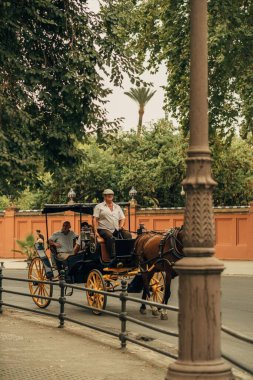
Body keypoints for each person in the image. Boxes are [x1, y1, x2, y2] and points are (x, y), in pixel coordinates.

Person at [93, 189, 132, 264]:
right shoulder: (99, 206)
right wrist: (95, 231)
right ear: (104, 196)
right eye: (108, 194)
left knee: (128, 235)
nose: (110, 196)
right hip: (103, 229)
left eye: (111, 194)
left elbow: (123, 218)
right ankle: (113, 258)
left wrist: (121, 226)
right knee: (110, 237)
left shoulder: (117, 207)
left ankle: (128, 256)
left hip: (116, 229)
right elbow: (95, 219)